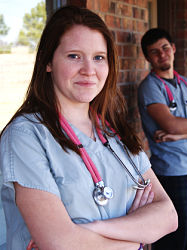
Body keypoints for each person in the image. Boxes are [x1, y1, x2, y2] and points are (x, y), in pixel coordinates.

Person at [0, 7, 177, 250]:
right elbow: (61, 243)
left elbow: (168, 216)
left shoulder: (115, 133)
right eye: (74, 56)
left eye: (98, 57)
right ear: (47, 61)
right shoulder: (26, 136)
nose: (89, 69)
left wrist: (89, 230)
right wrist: (137, 234)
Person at [138, 27, 187, 250]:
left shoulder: (186, 84)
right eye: (154, 52)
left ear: (173, 49)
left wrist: (180, 133)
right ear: (147, 58)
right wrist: (177, 129)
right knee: (173, 240)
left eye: (165, 48)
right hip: (171, 173)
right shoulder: (149, 87)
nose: (161, 54)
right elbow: (170, 124)